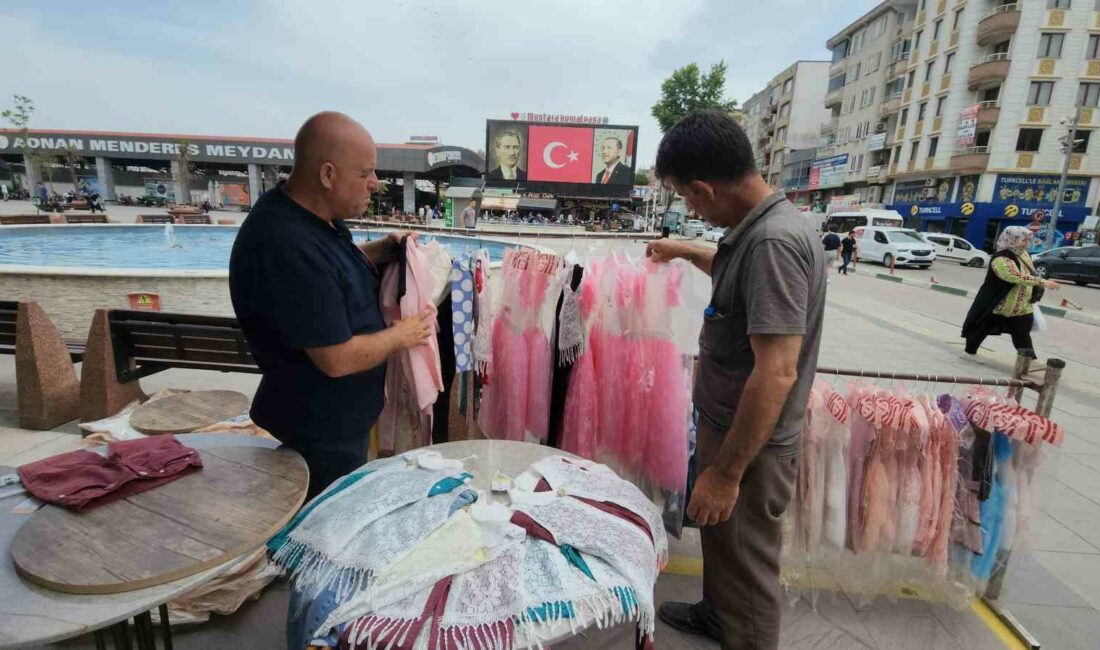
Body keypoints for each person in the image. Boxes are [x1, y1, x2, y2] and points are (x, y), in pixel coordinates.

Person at [644, 110, 825, 650]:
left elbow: (776, 371)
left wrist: (726, 473)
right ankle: (717, 615)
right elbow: (736, 275)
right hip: (730, 426)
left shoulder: (772, 244)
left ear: (704, 188)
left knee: (747, 561)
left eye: (688, 198)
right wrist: (684, 250)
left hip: (752, 444)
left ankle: (744, 634)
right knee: (723, 539)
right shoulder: (759, 231)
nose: (690, 209)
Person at [229, 111, 433, 499]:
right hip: (319, 433)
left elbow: (328, 272)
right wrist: (402, 335)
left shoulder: (310, 217)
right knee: (325, 520)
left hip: (334, 422)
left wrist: (379, 251)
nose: (375, 183)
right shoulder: (286, 244)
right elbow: (336, 358)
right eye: (365, 173)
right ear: (327, 175)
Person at [961, 226, 1059, 363]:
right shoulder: (1001, 258)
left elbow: (1029, 272)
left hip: (1021, 304)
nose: (1026, 244)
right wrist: (1043, 282)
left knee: (1022, 333)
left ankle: (1028, 361)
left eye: (1027, 240)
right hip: (999, 303)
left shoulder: (1024, 254)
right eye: (1023, 240)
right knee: (982, 328)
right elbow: (1014, 276)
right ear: (1012, 240)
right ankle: (969, 351)